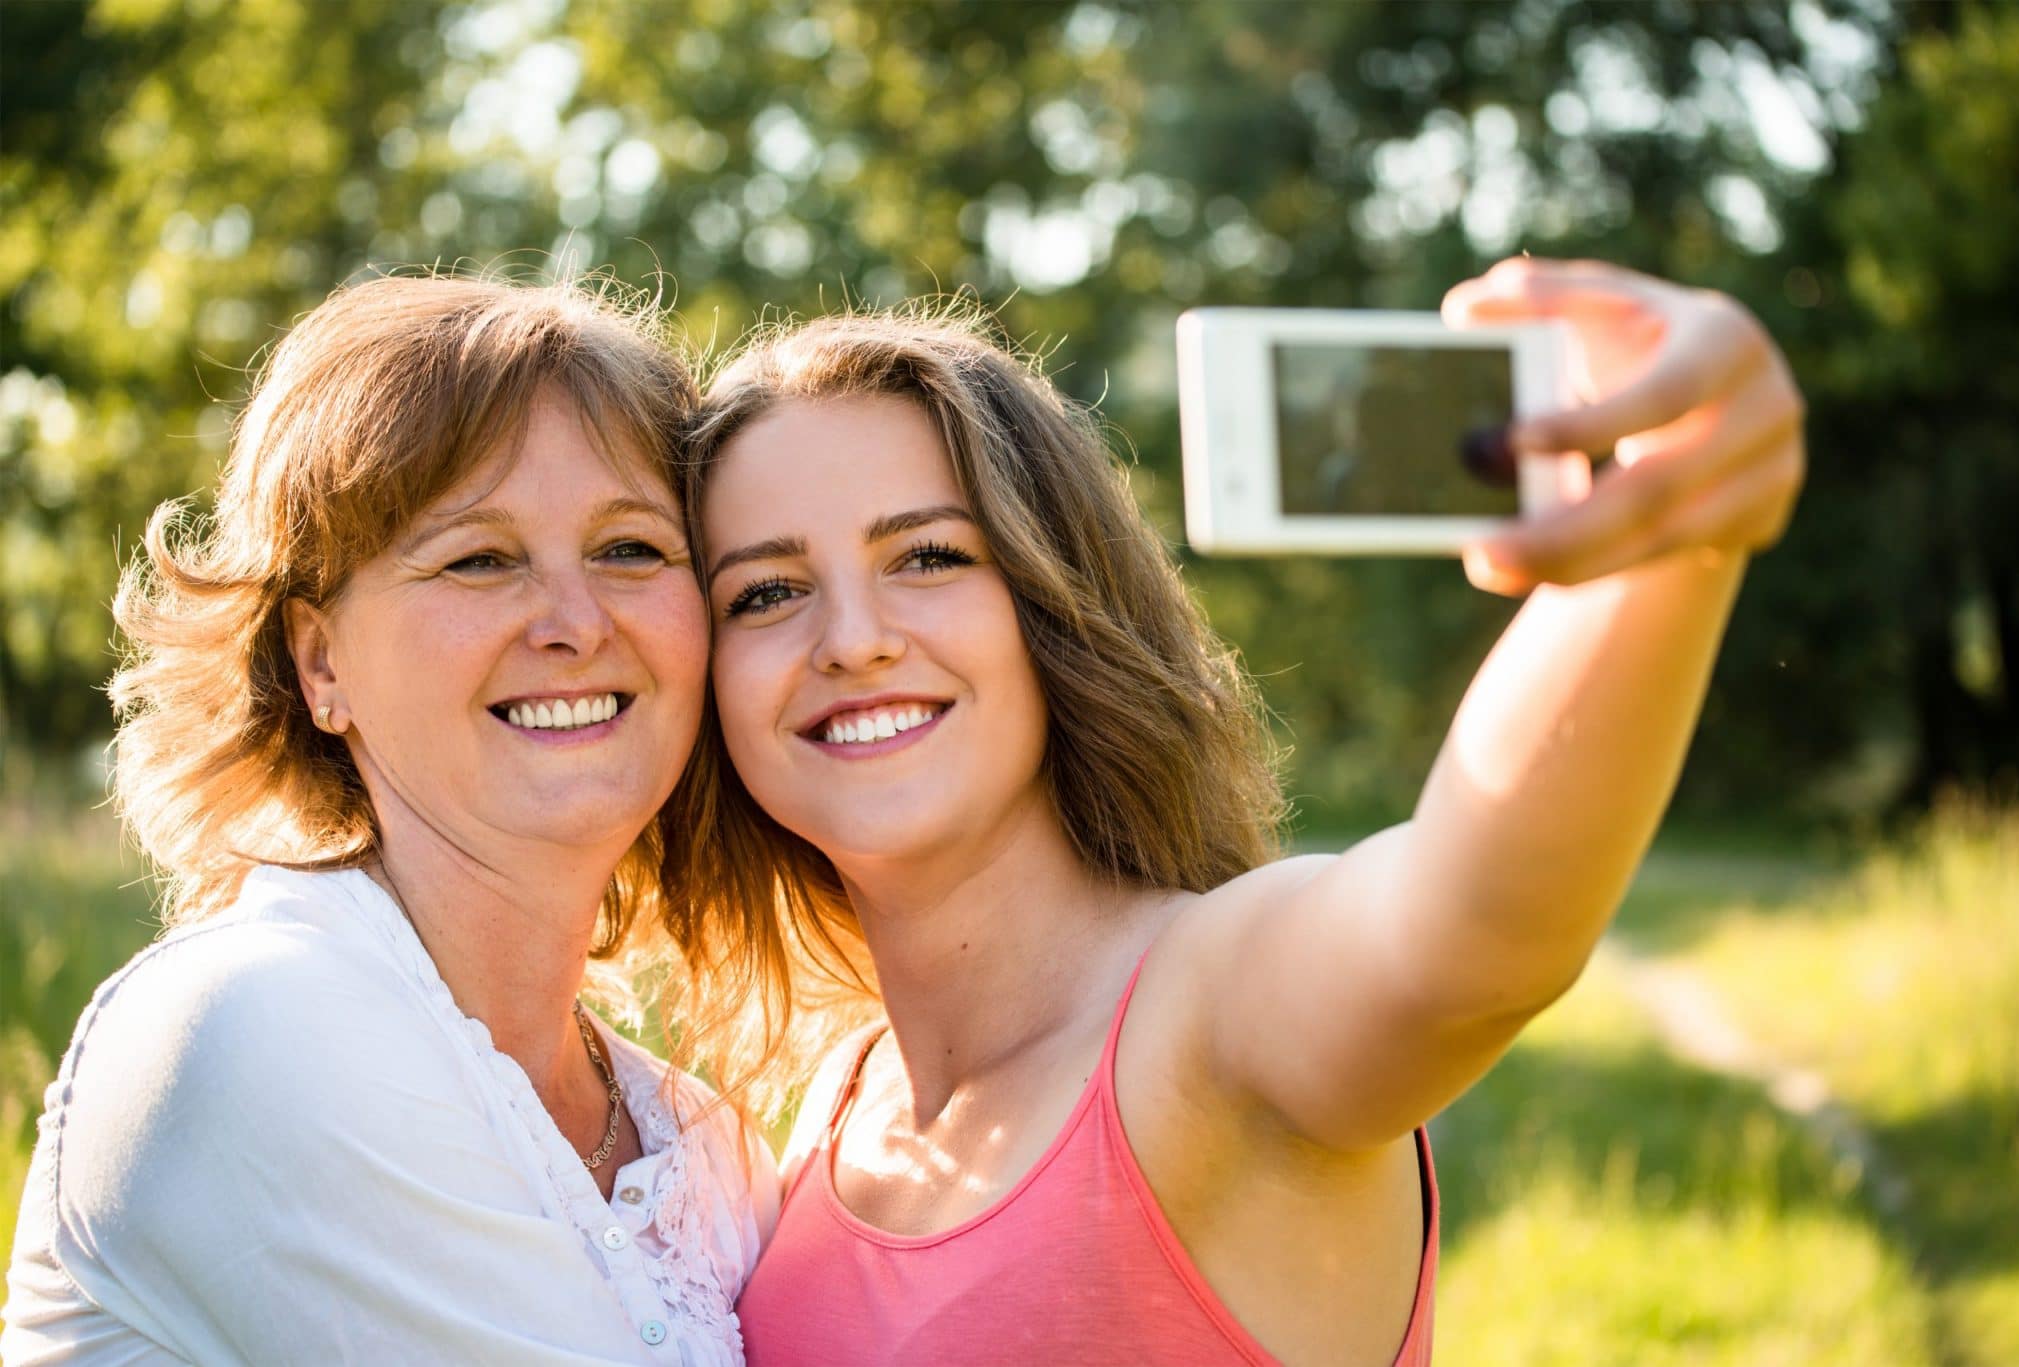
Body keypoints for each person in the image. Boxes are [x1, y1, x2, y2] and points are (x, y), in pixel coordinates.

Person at [672, 258, 1804, 1365]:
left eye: (927, 555)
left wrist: (1675, 535)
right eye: (766, 591)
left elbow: (1470, 931)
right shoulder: (839, 1099)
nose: (851, 637)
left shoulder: (1212, 1010)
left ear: (1053, 603)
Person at [3, 275, 777, 1364]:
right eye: (478, 558)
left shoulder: (703, 1146)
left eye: (631, 549)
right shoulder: (252, 1022)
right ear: (321, 661)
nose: (572, 620)